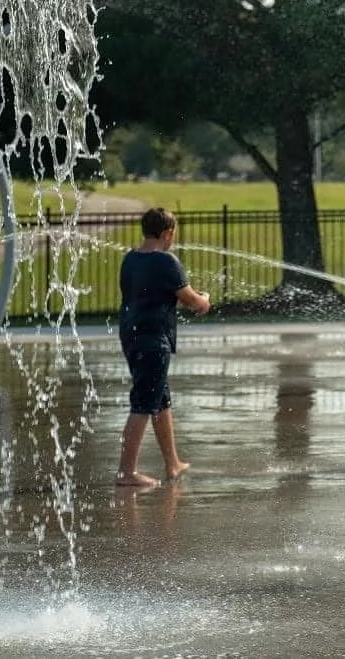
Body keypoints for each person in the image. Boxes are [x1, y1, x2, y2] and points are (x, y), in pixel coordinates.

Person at [116, 207, 211, 488]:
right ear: (167, 232)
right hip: (152, 340)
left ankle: (172, 463)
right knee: (144, 404)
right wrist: (204, 300)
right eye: (174, 234)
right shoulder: (166, 262)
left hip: (132, 335)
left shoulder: (130, 259)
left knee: (160, 401)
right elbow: (190, 300)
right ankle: (125, 472)